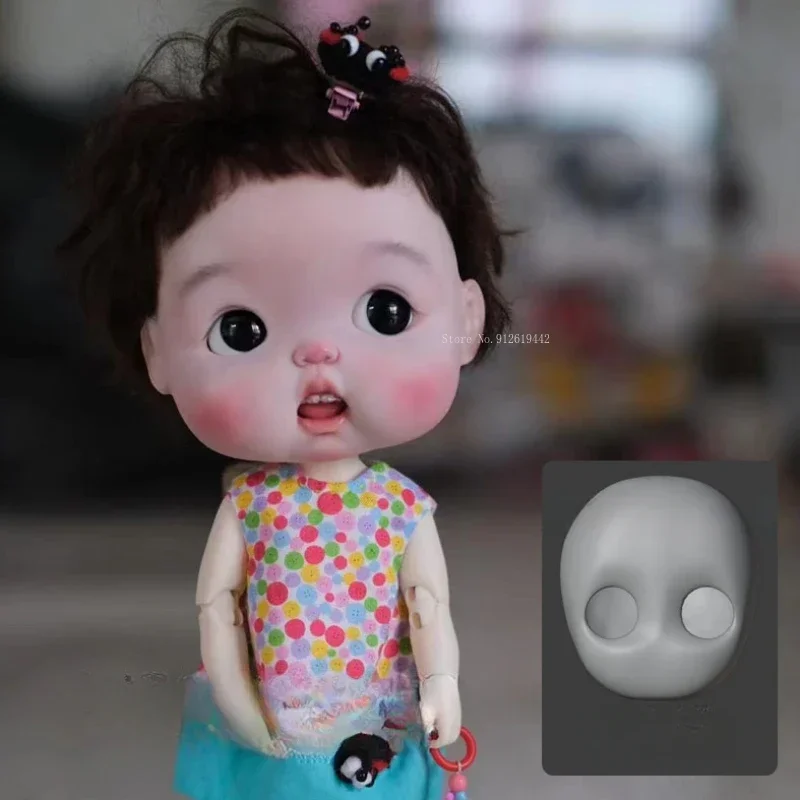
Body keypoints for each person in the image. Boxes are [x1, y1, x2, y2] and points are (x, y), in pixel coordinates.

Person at [60, 8, 510, 799]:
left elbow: (427, 607)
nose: (317, 355)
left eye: (386, 312)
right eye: (241, 329)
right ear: (157, 348)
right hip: (261, 743)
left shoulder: (402, 510)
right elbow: (218, 608)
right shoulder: (251, 507)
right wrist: (237, 704)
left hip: (377, 733)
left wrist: (442, 686)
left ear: (465, 320)